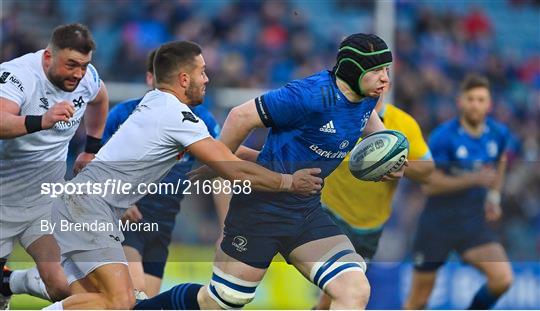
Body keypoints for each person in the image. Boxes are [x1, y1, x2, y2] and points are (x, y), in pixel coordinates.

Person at [43, 40, 321, 310]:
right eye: (202, 71)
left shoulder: (156, 102)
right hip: (90, 209)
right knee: (122, 301)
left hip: (78, 205)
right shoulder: (176, 116)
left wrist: (275, 161)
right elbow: (232, 169)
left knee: (97, 301)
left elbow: (229, 153)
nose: (207, 79)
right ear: (185, 79)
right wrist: (288, 182)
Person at [137, 33, 403, 310]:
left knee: (354, 289)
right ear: (353, 69)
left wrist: (388, 158)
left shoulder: (366, 98)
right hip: (260, 210)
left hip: (305, 211)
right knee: (224, 299)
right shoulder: (308, 95)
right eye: (376, 71)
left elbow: (369, 128)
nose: (385, 78)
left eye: (386, 70)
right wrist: (218, 163)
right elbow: (240, 116)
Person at [103, 49, 227, 298]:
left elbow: (223, 168)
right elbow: (100, 164)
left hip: (162, 226)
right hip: (129, 221)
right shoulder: (125, 115)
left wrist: (226, 230)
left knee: (143, 301)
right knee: (132, 296)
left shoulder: (200, 119)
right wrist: (117, 198)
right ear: (151, 78)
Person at [0, 23, 108, 308]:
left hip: (43, 202)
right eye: (71, 64)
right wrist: (42, 120)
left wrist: (91, 149)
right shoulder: (17, 76)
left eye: (84, 65)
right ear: (48, 56)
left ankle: (8, 282)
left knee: (64, 287)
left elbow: (99, 99)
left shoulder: (88, 78)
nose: (78, 74)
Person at [315, 85, 435, 309]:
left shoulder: (403, 124)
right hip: (329, 215)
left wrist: (401, 166)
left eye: (382, 74)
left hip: (369, 228)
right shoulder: (334, 115)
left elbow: (428, 170)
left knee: (332, 297)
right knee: (344, 287)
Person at [404, 74, 513, 309]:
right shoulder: (444, 137)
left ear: (489, 104)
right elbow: (429, 185)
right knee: (418, 300)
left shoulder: (498, 134)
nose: (476, 104)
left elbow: (501, 161)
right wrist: (472, 179)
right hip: (437, 223)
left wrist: (494, 198)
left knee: (502, 279)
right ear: (460, 102)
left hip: (473, 223)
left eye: (481, 99)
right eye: (470, 99)